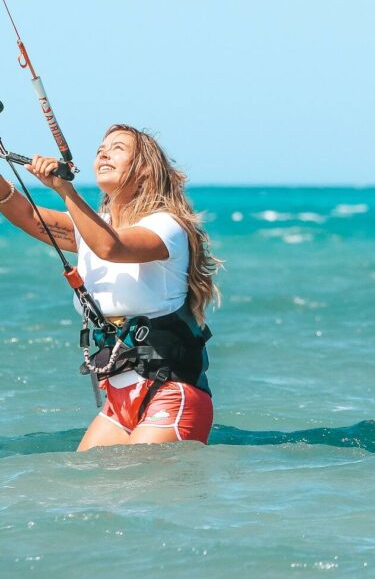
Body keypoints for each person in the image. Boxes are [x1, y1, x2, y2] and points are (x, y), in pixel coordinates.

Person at [0, 124, 219, 450]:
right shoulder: (91, 228)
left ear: (144, 169)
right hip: (118, 402)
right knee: (87, 490)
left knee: (137, 484)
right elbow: (27, 214)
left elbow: (111, 247)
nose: (104, 152)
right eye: (101, 148)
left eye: (118, 148)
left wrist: (65, 191)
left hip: (171, 393)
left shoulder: (166, 225)